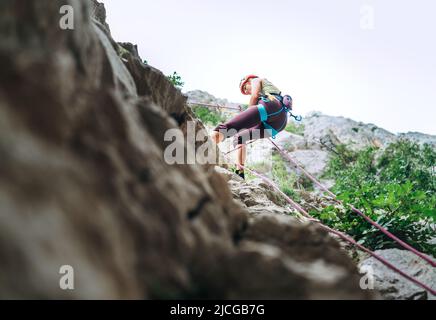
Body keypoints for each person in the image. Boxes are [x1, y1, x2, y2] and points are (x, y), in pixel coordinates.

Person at [211, 75, 291, 179]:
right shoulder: (271, 88)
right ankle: (240, 173)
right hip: (277, 126)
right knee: (240, 137)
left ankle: (200, 150)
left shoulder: (256, 80)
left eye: (245, 88)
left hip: (271, 106)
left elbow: (255, 95)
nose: (246, 92)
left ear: (248, 81)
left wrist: (248, 112)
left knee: (227, 128)